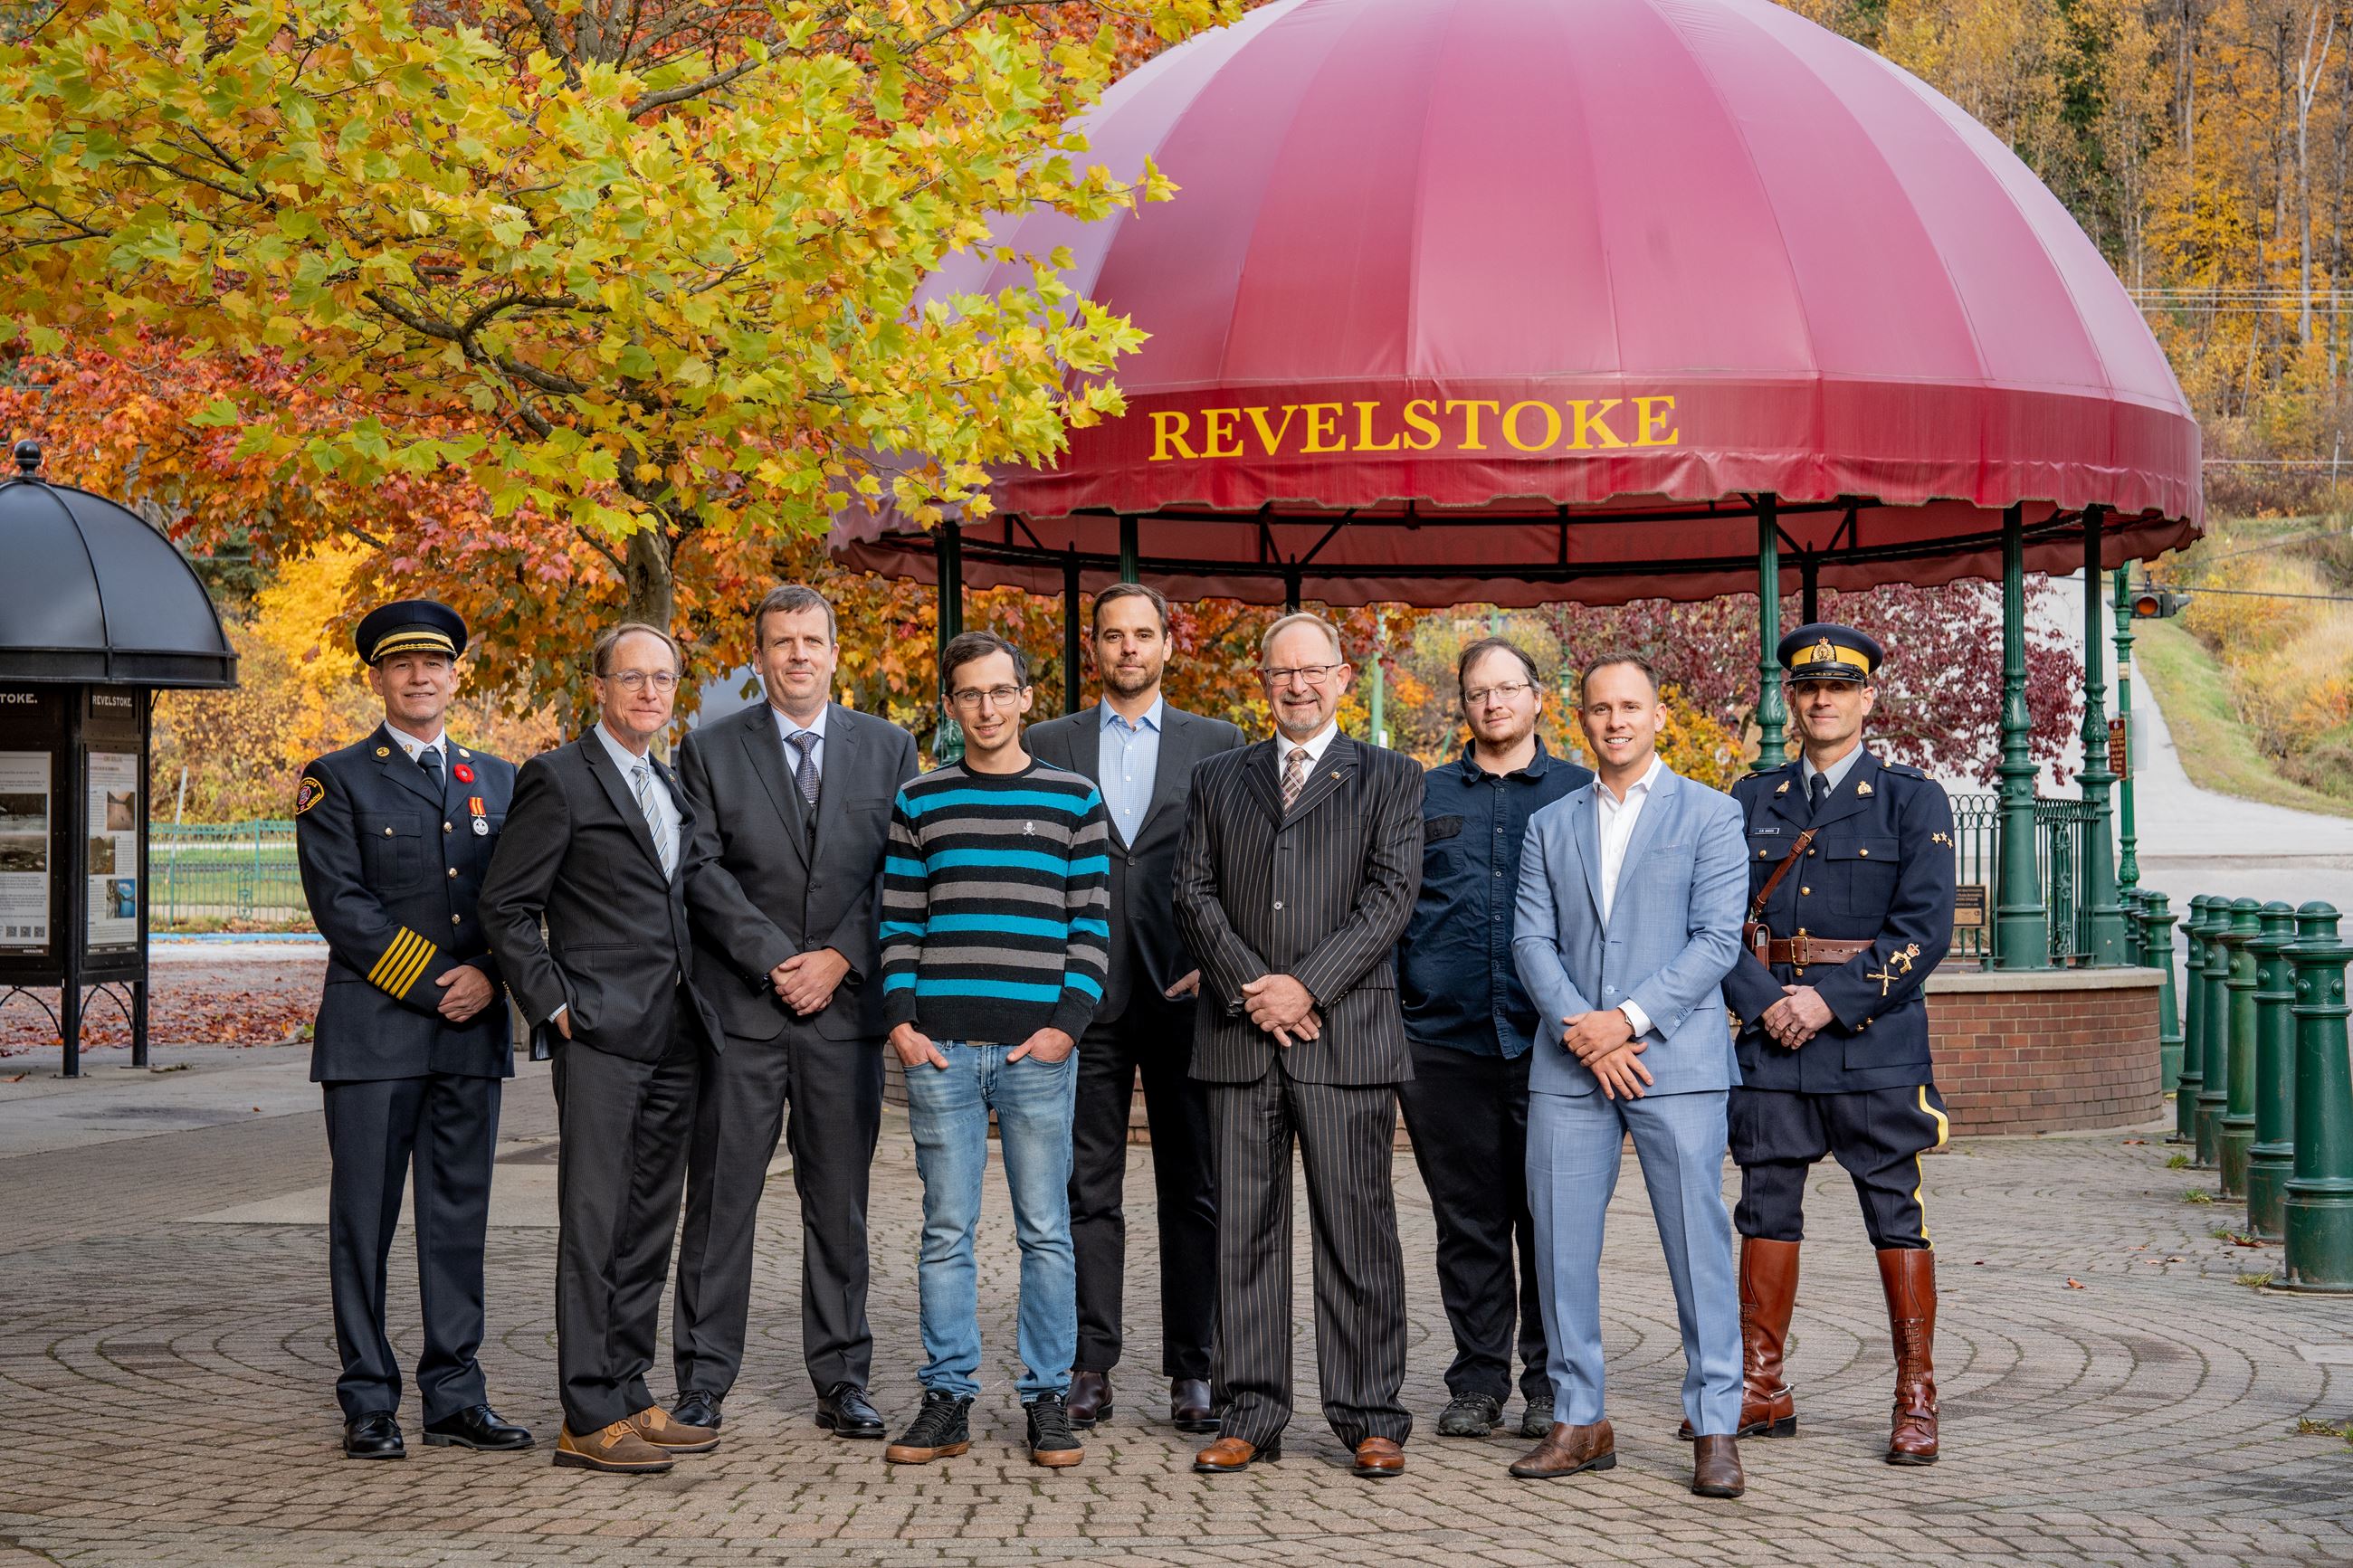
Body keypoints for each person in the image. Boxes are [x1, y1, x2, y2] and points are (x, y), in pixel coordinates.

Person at [1173, 612, 1424, 1480]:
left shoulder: (1391, 776)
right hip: (1239, 1037)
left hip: (1346, 1037)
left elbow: (1390, 899)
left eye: (1313, 669)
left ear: (1343, 677)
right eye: (1283, 672)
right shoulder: (1217, 777)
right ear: (1263, 681)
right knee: (1243, 1234)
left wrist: (1306, 986)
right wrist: (1257, 988)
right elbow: (1193, 892)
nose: (1298, 685)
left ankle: (1370, 1415)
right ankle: (1251, 1411)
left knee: (1358, 1231)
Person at [669, 584, 919, 1440]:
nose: (798, 654)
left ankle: (842, 1379)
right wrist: (776, 958)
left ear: (835, 652)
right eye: (782, 642)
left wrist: (842, 955)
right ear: (760, 655)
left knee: (839, 1207)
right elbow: (699, 870)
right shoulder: (708, 750)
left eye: (812, 640)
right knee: (720, 1204)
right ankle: (703, 1381)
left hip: (843, 1017)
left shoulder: (889, 747)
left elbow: (902, 871)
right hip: (743, 1013)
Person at [479, 622, 727, 1475]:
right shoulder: (558, 777)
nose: (650, 692)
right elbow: (506, 905)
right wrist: (554, 1004)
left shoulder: (667, 779)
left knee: (648, 1221)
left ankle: (628, 1390)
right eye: (633, 677)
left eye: (663, 678)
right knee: (595, 1222)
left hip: (676, 1034)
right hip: (601, 1036)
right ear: (600, 687)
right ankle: (586, 1414)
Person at [1507, 652, 1749, 1499]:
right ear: (1582, 719)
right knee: (1560, 1247)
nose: (1615, 721)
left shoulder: (1712, 813)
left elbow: (1717, 941)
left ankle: (1716, 1425)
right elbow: (1530, 940)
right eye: (1600, 708)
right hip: (1570, 1062)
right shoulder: (1550, 823)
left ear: (1658, 716)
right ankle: (1580, 1419)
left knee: (1697, 1246)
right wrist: (1587, 1029)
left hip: (1674, 1063)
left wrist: (1628, 1020)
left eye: (1630, 706)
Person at [293, 599, 531, 1461]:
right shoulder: (336, 779)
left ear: (456, 677)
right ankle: (368, 1398)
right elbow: (343, 908)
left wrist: (494, 974)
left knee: (458, 1219)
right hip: (374, 1036)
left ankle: (455, 1396)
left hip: (471, 1038)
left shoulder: (502, 780)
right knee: (363, 1222)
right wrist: (443, 986)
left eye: (434, 663)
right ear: (378, 679)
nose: (420, 676)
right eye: (402, 664)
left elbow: (524, 898)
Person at [1719, 623, 1958, 1466]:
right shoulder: (1750, 800)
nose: (1823, 699)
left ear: (1867, 698)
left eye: (1840, 687)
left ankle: (1916, 1394)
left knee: (1896, 1214)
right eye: (1808, 687)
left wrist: (1826, 1002)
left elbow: (1924, 931)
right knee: (1764, 1207)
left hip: (1873, 1045)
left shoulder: (1911, 800)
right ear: (1790, 698)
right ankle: (1762, 1385)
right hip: (1773, 1044)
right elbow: (1714, 922)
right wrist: (1765, 1004)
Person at [878, 631, 1110, 1470]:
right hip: (939, 1051)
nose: (987, 707)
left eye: (1000, 691)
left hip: (1036, 1054)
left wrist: (1065, 1027)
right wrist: (903, 1027)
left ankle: (1047, 1398)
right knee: (946, 1231)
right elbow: (899, 922)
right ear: (950, 706)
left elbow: (1091, 926)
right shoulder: (920, 799)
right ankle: (948, 1396)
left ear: (1025, 698)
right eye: (969, 694)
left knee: (1046, 1231)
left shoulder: (1074, 798)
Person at [1026, 583, 1243, 1436]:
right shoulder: (1048, 742)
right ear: (1095, 647)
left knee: (1196, 1189)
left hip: (1187, 993)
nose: (1128, 648)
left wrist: (1221, 964)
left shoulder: (1217, 743)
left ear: (1166, 645)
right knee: (1086, 1188)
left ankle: (1195, 1366)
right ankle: (1089, 1364)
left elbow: (1237, 863)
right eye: (1113, 635)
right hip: (1082, 997)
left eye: (1143, 634)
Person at [1396, 638, 1590, 1442]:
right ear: (1463, 704)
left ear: (1538, 697)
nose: (1494, 702)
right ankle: (1478, 1379)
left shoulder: (1581, 790)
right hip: (1444, 1042)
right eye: (1478, 691)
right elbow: (1392, 903)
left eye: (1508, 688)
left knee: (1551, 1219)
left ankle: (1548, 1382)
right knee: (1467, 1221)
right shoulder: (1420, 793)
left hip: (1554, 1042)